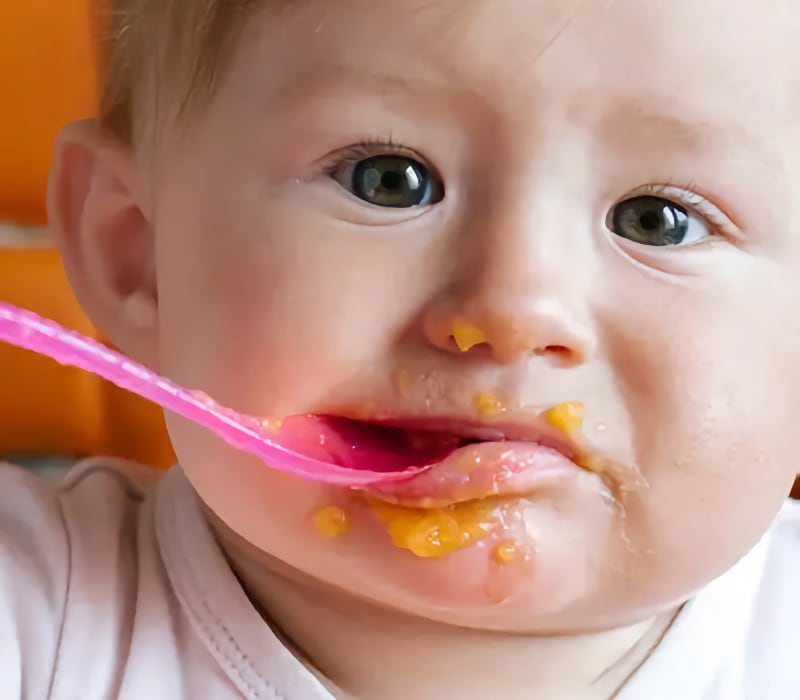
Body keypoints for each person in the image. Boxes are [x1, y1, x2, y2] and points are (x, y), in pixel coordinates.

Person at [3, 1, 800, 698]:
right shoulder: (38, 608)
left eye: (657, 219)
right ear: (138, 252)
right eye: (389, 180)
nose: (510, 311)